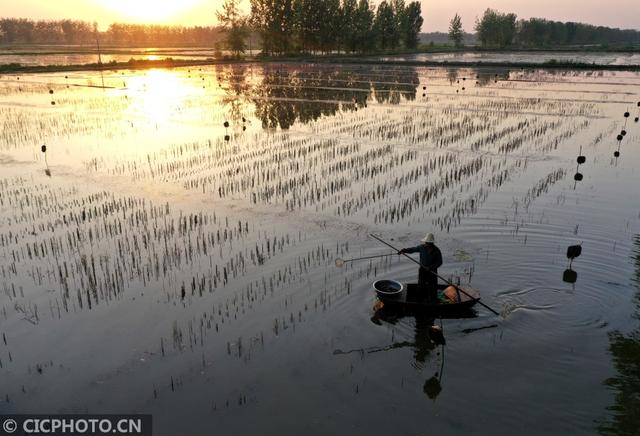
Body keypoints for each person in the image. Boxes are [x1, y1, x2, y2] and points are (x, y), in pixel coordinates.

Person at [398, 233, 443, 303]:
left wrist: (430, 267)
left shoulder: (436, 251)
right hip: (423, 270)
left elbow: (439, 262)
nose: (427, 244)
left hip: (432, 271)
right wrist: (404, 251)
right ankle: (419, 301)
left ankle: (432, 301)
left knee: (433, 287)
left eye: (428, 243)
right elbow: (412, 249)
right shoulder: (422, 247)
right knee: (421, 286)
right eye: (426, 242)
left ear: (432, 243)